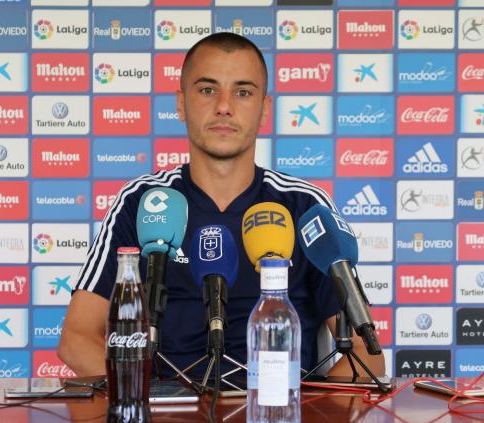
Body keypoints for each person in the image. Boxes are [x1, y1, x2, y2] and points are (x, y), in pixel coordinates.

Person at [58, 32, 385, 379]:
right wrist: (149, 406)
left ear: (264, 109)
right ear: (181, 104)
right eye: (207, 90)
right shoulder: (141, 201)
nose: (224, 106)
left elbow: (368, 356)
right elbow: (77, 339)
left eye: (243, 92)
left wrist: (300, 416)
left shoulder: (304, 206)